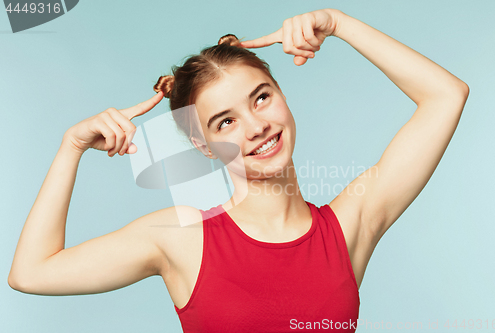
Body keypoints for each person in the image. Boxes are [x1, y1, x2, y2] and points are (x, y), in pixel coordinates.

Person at [8, 8, 469, 332]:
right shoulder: (180, 236)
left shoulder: (349, 227)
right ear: (201, 145)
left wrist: (339, 23)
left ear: (282, 95)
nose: (255, 127)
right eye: (225, 121)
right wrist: (71, 147)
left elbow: (446, 95)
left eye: (261, 97)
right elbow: (31, 273)